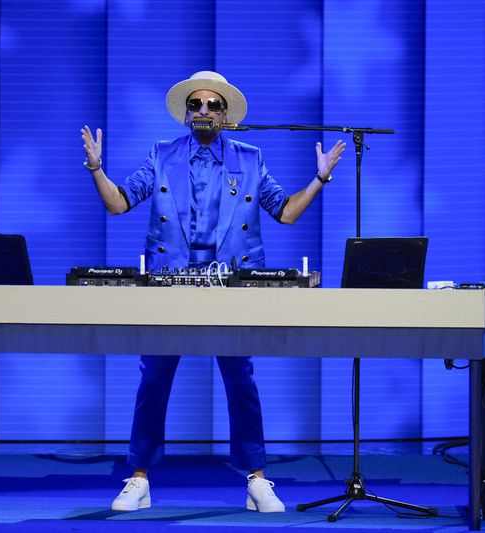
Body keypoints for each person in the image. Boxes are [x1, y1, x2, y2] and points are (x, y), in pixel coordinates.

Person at [80, 71, 345, 513]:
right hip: (171, 282)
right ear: (186, 114)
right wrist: (96, 167)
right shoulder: (161, 156)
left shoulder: (251, 158)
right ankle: (140, 478)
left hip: (233, 282)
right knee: (154, 377)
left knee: (240, 379)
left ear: (226, 116)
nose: (203, 110)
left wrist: (319, 180)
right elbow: (118, 203)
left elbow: (285, 213)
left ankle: (257, 479)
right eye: (196, 104)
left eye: (213, 105)